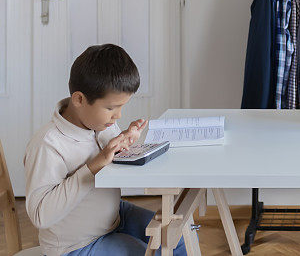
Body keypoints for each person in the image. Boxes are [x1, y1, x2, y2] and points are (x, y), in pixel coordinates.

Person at [24, 44, 188, 256]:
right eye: (111, 108)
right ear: (79, 100)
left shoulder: (99, 123)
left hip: (112, 217)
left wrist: (125, 141)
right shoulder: (48, 144)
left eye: (122, 107)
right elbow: (40, 215)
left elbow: (111, 161)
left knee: (175, 237)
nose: (118, 116)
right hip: (76, 245)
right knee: (144, 252)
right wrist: (92, 167)